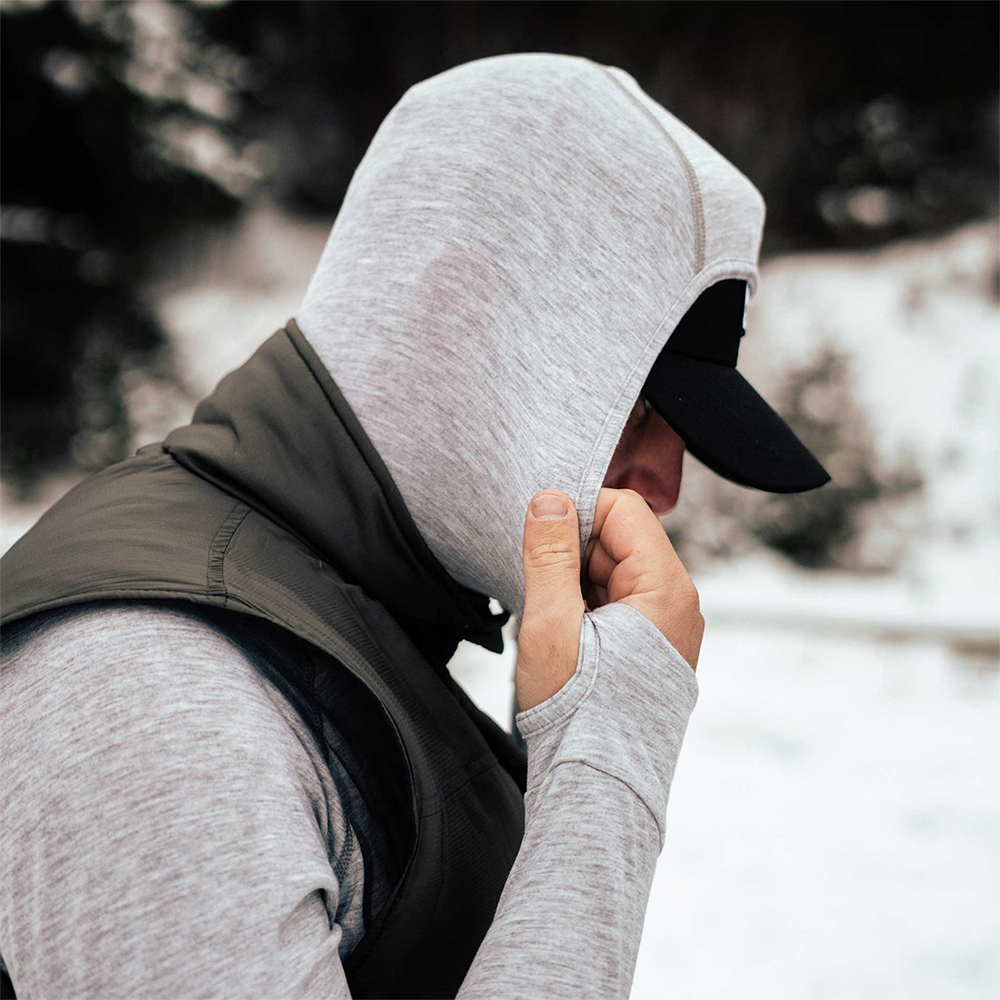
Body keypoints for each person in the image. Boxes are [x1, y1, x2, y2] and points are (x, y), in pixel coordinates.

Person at [0, 52, 830, 999]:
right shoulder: (148, 699)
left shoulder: (325, 622)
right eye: (640, 408)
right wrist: (607, 768)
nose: (667, 487)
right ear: (472, 330)